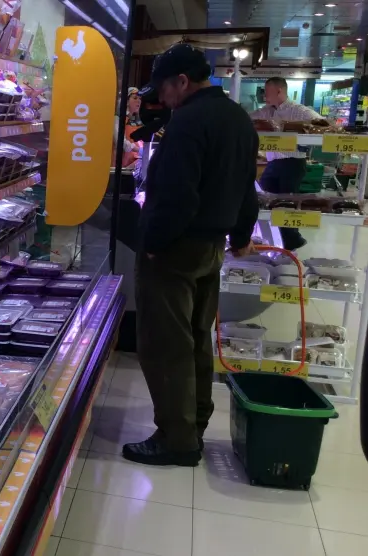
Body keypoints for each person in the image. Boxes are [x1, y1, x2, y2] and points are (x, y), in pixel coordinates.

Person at [125, 44, 259, 467]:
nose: (162, 100)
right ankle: (194, 422)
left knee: (166, 344)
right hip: (211, 248)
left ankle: (176, 439)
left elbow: (176, 196)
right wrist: (241, 234)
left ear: (182, 81)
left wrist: (153, 243)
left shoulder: (187, 122)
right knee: (197, 338)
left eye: (164, 90)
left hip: (175, 250)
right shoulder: (238, 118)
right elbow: (246, 186)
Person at [249, 77, 322, 251]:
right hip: (273, 163)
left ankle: (291, 243)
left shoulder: (298, 111)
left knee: (286, 204)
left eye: (267, 92)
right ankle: (273, 240)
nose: (264, 96)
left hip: (292, 163)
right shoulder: (265, 112)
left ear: (279, 91)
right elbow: (247, 119)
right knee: (264, 200)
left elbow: (321, 123)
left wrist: (302, 133)